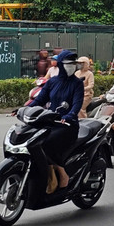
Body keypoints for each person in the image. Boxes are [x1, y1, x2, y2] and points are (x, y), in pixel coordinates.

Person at [30, 50, 84, 191]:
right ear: (60, 64)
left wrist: (69, 115)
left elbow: (77, 105)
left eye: (73, 63)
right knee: (34, 141)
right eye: (68, 63)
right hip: (51, 122)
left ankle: (62, 174)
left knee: (46, 143)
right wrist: (24, 109)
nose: (71, 66)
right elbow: (40, 99)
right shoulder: (52, 82)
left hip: (68, 125)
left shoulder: (77, 84)